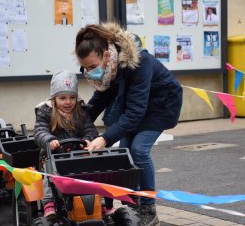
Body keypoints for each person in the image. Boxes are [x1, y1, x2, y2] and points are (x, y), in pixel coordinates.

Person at [74, 22, 183, 226]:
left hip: (160, 106)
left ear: (106, 55)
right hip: (137, 105)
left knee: (138, 150)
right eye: (84, 68)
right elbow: (101, 98)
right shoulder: (111, 67)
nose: (88, 72)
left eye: (92, 67)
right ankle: (132, 204)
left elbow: (135, 113)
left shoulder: (138, 63)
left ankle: (149, 209)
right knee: (125, 153)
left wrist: (104, 138)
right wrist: (76, 121)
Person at [34, 70, 99, 218]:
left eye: (72, 97)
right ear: (54, 98)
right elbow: (39, 132)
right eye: (62, 98)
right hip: (54, 155)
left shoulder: (81, 111)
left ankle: (99, 201)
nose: (68, 102)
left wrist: (88, 139)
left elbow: (90, 129)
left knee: (94, 168)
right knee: (49, 173)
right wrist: (49, 140)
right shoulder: (45, 112)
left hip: (77, 154)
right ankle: (49, 202)